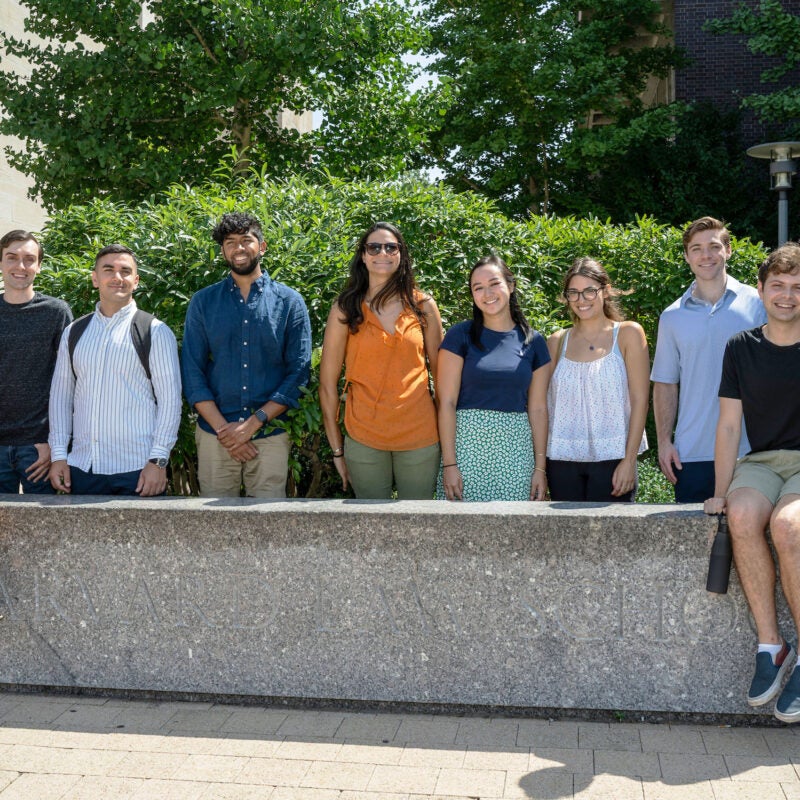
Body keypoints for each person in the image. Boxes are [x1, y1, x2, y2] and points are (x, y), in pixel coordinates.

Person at [704, 242, 800, 722]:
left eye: (797, 287)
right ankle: (772, 646)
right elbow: (727, 425)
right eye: (778, 285)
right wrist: (721, 491)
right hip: (762, 460)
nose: (787, 295)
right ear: (760, 290)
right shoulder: (741, 347)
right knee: (741, 514)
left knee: (789, 527)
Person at [182, 212, 311, 498]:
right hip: (215, 434)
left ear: (261, 246)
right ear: (223, 250)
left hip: (270, 434)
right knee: (214, 528)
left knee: (267, 526)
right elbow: (192, 370)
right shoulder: (203, 302)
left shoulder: (289, 302)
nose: (238, 248)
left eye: (246, 240)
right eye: (230, 242)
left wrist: (252, 425)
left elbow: (299, 372)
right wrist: (226, 432)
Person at [319, 222, 443, 499]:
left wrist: (447, 439)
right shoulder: (345, 307)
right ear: (363, 256)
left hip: (420, 436)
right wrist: (337, 449)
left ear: (401, 255)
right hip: (364, 438)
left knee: (418, 525)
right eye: (374, 247)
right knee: (371, 528)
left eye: (391, 247)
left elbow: (442, 376)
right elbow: (327, 384)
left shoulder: (423, 305)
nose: (382, 253)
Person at [48, 244, 181, 495]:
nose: (117, 277)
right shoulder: (74, 332)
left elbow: (170, 402)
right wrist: (58, 456)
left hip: (138, 470)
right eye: (108, 270)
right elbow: (61, 398)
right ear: (95, 279)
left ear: (136, 280)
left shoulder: (154, 331)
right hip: (82, 468)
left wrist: (159, 461)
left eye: (125, 271)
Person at [652, 216, 765, 502]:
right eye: (696, 248)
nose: (706, 255)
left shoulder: (760, 304)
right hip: (691, 453)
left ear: (728, 250)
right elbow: (665, 384)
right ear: (687, 257)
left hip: (752, 451)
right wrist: (664, 442)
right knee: (695, 546)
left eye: (714, 246)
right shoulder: (672, 316)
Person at [437, 255, 550, 502]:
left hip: (516, 456)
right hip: (466, 454)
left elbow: (539, 409)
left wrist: (540, 469)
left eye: (494, 283)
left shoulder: (534, 342)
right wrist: (449, 465)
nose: (487, 293)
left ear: (511, 285)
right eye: (478, 288)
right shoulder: (460, 335)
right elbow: (445, 403)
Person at [546, 257, 649, 502]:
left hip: (613, 459)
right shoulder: (556, 341)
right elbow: (541, 405)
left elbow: (640, 400)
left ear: (606, 290)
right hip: (562, 460)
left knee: (612, 539)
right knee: (566, 538)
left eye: (590, 291)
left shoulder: (628, 334)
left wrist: (629, 460)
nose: (581, 300)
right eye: (574, 293)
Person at [0, 230, 72, 494]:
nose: (21, 266)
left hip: (39, 450)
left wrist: (55, 444)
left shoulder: (56, 312)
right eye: (12, 257)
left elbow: (68, 381)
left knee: (46, 530)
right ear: (1, 263)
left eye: (29, 259)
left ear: (39, 266)